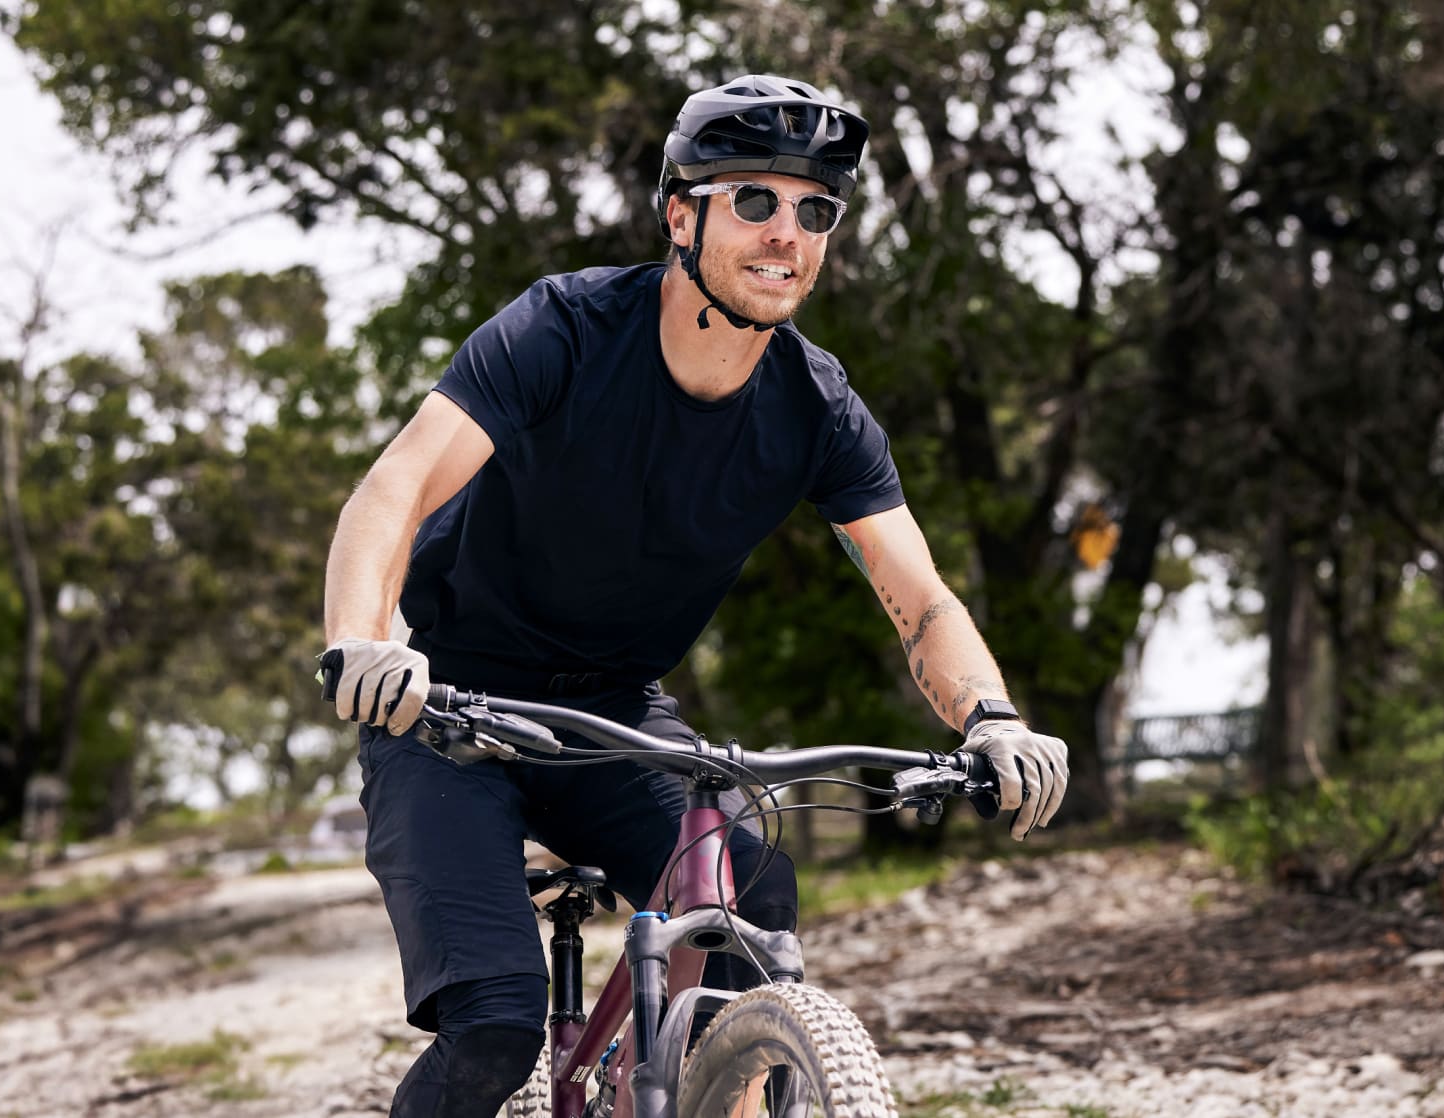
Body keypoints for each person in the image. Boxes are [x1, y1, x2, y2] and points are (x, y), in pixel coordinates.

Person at [320, 73, 1070, 1118]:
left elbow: (921, 596)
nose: (786, 233)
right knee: (493, 1023)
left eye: (815, 210)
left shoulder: (817, 406)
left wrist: (990, 716)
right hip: (449, 706)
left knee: (751, 903)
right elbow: (394, 490)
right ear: (682, 216)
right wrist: (363, 643)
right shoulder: (563, 330)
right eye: (754, 200)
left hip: (615, 715)